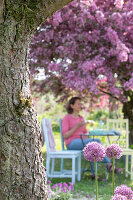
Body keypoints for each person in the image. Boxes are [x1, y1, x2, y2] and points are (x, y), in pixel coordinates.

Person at [62, 97, 122, 181]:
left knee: (93, 147)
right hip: (71, 143)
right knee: (95, 143)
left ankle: (95, 175)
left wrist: (90, 137)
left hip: (82, 142)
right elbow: (65, 135)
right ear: (72, 105)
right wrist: (77, 126)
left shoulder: (81, 118)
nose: (80, 105)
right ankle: (109, 165)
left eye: (81, 103)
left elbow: (85, 134)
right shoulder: (67, 118)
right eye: (78, 103)